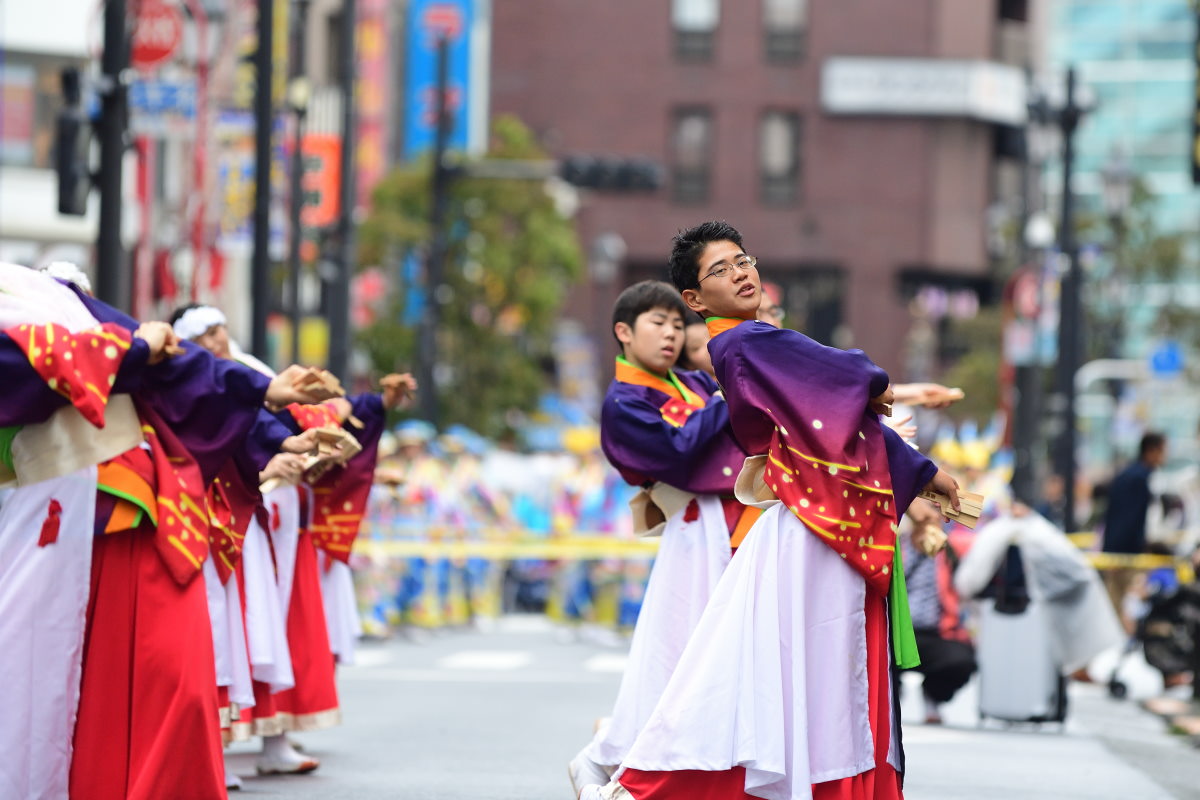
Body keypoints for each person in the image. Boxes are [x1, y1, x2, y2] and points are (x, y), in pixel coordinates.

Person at [581, 222, 960, 800]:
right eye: (720, 269)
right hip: (747, 527)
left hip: (783, 522)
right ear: (694, 300)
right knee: (754, 670)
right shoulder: (737, 347)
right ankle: (630, 771)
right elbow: (842, 378)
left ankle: (636, 775)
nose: (740, 272)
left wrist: (903, 434)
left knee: (749, 670)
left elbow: (832, 397)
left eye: (743, 260)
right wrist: (889, 405)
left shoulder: (738, 350)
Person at [0, 263, 327, 799]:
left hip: (152, 512)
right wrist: (130, 352)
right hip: (65, 523)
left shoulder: (44, 288)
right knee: (70, 700)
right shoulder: (23, 300)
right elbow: (46, 370)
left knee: (179, 685)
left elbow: (172, 365)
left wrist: (267, 397)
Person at [568, 280, 755, 794]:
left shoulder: (690, 385)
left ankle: (616, 753)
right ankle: (620, 758)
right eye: (658, 323)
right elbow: (677, 454)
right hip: (693, 529)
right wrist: (724, 397)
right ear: (624, 332)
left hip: (727, 518)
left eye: (677, 324)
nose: (671, 334)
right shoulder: (624, 401)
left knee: (703, 651)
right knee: (683, 652)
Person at [895, 499, 976, 724]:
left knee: (961, 661)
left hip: (938, 632)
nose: (932, 514)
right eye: (929, 507)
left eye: (938, 509)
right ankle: (892, 695)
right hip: (898, 632)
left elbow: (983, 544)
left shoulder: (952, 548)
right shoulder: (894, 545)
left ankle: (933, 693)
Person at [1101, 432, 1167, 619]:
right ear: (1151, 451)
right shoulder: (1140, 478)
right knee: (1128, 608)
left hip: (1120, 553)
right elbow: (1127, 519)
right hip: (1127, 556)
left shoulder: (1128, 474)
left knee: (1118, 607)